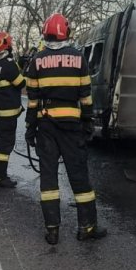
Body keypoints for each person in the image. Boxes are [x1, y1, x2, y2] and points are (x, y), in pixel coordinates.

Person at [24, 13, 107, 245]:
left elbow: (32, 99)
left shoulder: (37, 60)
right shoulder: (79, 58)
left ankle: (52, 230)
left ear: (45, 32)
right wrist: (88, 121)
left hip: (46, 125)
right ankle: (87, 227)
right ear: (67, 33)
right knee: (79, 177)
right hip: (72, 127)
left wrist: (30, 126)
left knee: (49, 179)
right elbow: (86, 96)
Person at [0, 31, 25, 188]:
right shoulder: (9, 64)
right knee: (5, 146)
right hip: (8, 113)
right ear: (7, 45)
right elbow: (21, 84)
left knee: (0, 143)